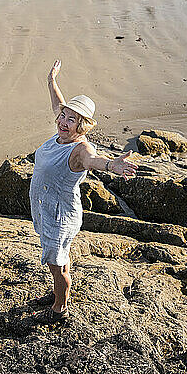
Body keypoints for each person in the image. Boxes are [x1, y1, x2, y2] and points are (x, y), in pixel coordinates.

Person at [30, 59, 138, 324]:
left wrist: (112, 165)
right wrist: (51, 80)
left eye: (72, 119)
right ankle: (59, 292)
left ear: (83, 126)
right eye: (63, 116)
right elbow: (58, 103)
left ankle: (59, 310)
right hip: (47, 209)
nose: (63, 121)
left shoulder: (80, 149)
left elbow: (94, 161)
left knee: (58, 265)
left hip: (59, 216)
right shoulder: (61, 130)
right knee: (59, 262)